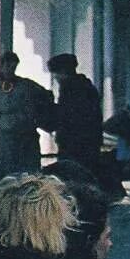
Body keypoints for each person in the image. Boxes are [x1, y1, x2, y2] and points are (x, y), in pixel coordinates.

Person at [0, 53, 56, 181]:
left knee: (30, 173)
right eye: (7, 66)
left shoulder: (26, 85)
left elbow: (47, 95)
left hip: (27, 135)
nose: (10, 69)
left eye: (13, 66)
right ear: (2, 66)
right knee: (8, 174)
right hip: (9, 137)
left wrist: (37, 112)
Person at [48, 53, 109, 188]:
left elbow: (71, 117)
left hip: (77, 145)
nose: (56, 77)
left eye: (57, 73)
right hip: (82, 143)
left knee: (76, 181)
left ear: (64, 71)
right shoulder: (82, 87)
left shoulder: (73, 90)